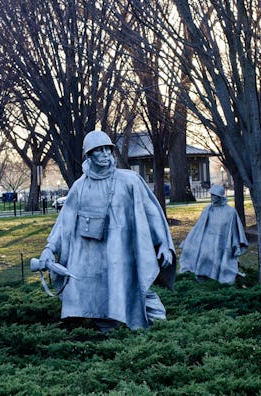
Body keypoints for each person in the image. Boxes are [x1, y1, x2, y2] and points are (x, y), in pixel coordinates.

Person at [38, 130, 176, 332]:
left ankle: (159, 334)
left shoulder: (129, 181)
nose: (104, 154)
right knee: (98, 297)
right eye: (98, 150)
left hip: (123, 252)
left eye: (107, 149)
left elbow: (151, 212)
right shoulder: (80, 187)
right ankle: (109, 336)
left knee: (136, 292)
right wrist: (50, 248)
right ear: (89, 155)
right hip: (91, 255)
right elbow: (64, 223)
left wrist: (163, 242)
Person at [179, 184, 248, 284]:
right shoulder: (208, 210)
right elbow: (198, 227)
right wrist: (190, 241)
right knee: (204, 257)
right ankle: (201, 278)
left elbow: (234, 230)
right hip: (207, 240)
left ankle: (217, 281)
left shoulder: (230, 212)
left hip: (222, 241)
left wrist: (236, 246)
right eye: (212, 195)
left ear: (220, 197)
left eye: (215, 196)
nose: (213, 198)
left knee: (220, 261)